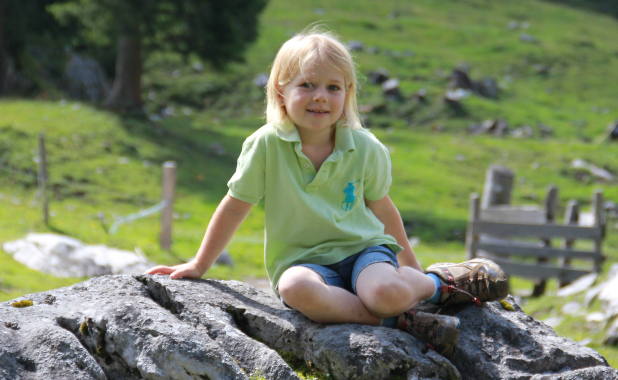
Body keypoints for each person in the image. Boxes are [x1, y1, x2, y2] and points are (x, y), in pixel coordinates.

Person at [145, 29, 508, 357]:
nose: (320, 97)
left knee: (388, 294)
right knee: (294, 289)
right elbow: (235, 206)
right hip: (305, 263)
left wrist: (409, 269)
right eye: (307, 85)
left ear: (347, 94)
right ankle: (400, 322)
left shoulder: (365, 148)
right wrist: (198, 264)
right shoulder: (265, 146)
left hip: (364, 252)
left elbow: (382, 209)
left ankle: (439, 284)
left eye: (333, 87)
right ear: (280, 92)